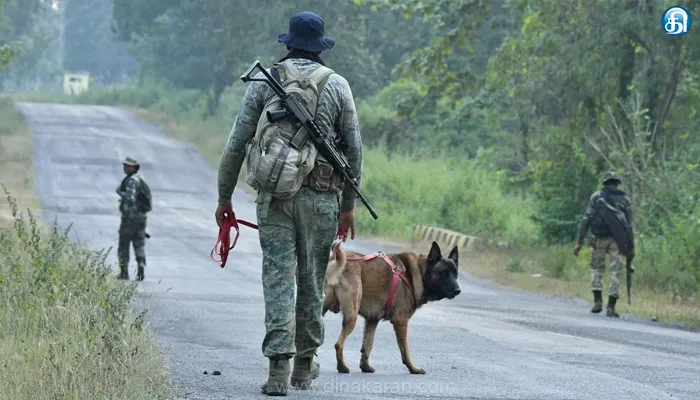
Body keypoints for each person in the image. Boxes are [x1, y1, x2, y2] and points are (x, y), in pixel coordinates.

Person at [214, 11, 362, 396]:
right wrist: (348, 205)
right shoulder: (338, 85)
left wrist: (224, 198)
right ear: (320, 48)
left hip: (274, 196)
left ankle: (277, 370)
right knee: (312, 279)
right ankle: (303, 365)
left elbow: (236, 145)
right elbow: (354, 150)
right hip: (321, 198)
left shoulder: (265, 81)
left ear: (288, 44)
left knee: (278, 276)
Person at [574, 171, 634, 318]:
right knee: (616, 272)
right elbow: (629, 225)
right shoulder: (625, 199)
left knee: (597, 269)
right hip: (618, 240)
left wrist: (579, 241)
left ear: (604, 183)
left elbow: (586, 219)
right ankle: (611, 307)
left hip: (599, 238)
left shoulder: (596, 197)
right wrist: (631, 247)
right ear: (617, 183)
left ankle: (597, 302)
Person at [116, 156, 150, 281]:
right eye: (125, 165)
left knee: (124, 244)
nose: (125, 167)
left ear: (134, 168)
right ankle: (140, 264)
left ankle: (124, 272)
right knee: (139, 243)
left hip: (129, 219)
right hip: (141, 218)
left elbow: (130, 198)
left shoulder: (132, 181)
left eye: (128, 165)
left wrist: (119, 192)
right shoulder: (139, 179)